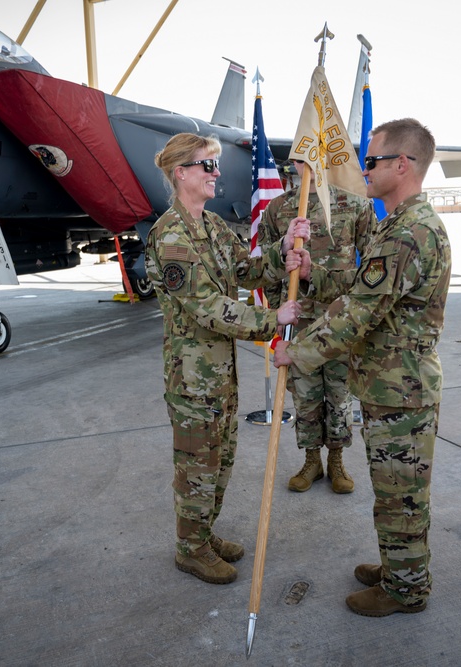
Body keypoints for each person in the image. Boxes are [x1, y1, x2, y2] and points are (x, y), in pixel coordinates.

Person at [275, 118, 450, 617]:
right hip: (390, 385)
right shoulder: (400, 225)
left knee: (401, 495)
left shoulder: (409, 232)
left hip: (401, 391)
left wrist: (298, 351)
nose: (362, 169)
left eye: (370, 161)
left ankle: (406, 590)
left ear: (403, 165)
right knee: (397, 489)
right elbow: (361, 286)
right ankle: (401, 567)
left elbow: (356, 315)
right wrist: (315, 272)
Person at [145, 132, 309, 585]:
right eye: (208, 166)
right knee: (197, 465)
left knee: (220, 460)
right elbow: (208, 307)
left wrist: (283, 250)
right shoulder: (172, 236)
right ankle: (190, 548)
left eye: (216, 165)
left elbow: (246, 268)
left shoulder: (212, 227)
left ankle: (203, 532)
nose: (217, 173)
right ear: (181, 173)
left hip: (219, 373)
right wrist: (273, 318)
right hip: (193, 379)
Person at [259, 159, 376, 494]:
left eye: (314, 154)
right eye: (300, 156)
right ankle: (312, 460)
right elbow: (267, 265)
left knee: (339, 395)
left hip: (340, 319)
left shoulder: (355, 204)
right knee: (306, 397)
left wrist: (354, 307)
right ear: (293, 161)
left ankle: (337, 460)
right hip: (300, 320)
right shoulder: (279, 208)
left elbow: (370, 266)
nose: (306, 163)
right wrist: (277, 307)